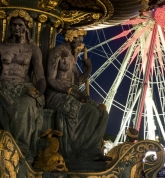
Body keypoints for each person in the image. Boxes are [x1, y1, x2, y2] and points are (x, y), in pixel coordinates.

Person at [46, 28, 108, 163]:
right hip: (58, 94)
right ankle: (78, 150)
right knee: (89, 111)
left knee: (102, 113)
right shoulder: (58, 52)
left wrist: (88, 70)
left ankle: (94, 149)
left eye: (81, 38)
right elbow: (51, 80)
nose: (80, 41)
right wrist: (71, 91)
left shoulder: (72, 57)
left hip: (72, 93)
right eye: (77, 37)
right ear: (68, 36)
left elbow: (77, 82)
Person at [0, 10, 46, 162]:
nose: (16, 28)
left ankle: (20, 148)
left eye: (20, 25)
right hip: (3, 86)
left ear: (27, 27)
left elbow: (40, 77)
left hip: (22, 87)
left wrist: (39, 91)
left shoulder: (33, 49)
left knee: (25, 105)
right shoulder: (2, 46)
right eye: (13, 25)